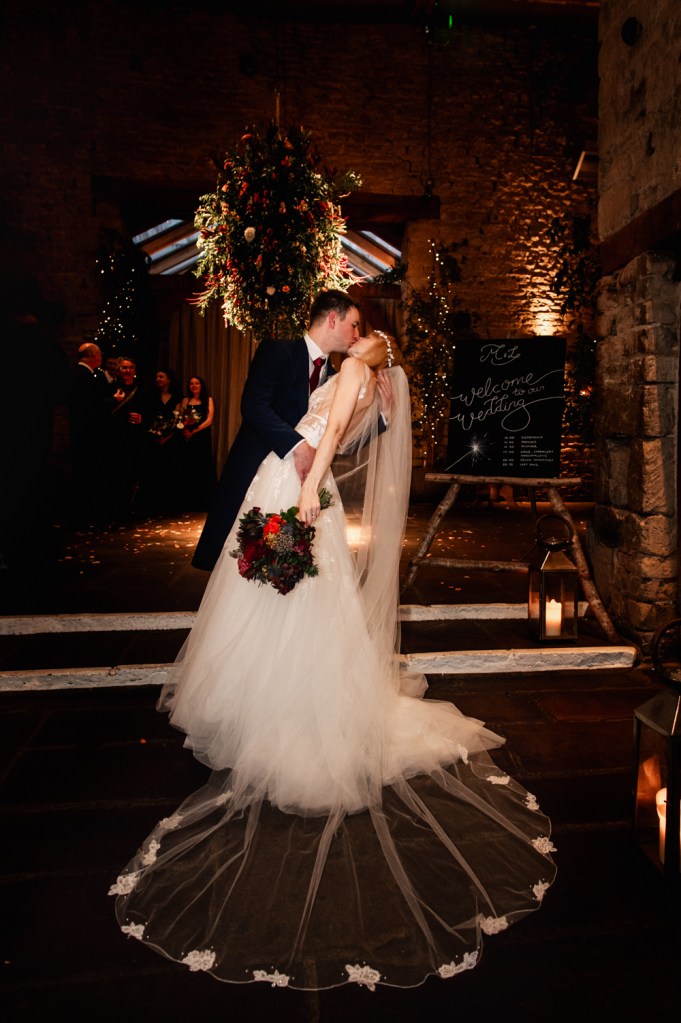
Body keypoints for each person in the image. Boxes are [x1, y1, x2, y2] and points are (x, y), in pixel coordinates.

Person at [111, 329, 556, 990]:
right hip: (311, 492)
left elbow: (320, 450)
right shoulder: (382, 392)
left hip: (302, 490)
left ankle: (280, 708)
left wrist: (301, 500)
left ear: (375, 350)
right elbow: (351, 433)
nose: (360, 333)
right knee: (305, 610)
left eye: (369, 334)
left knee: (284, 605)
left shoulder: (352, 370)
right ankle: (287, 697)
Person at [191, 288, 363, 571]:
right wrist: (299, 446)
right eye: (353, 324)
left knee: (283, 564)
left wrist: (384, 414)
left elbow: (343, 434)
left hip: (293, 487)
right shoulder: (277, 351)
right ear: (333, 318)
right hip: (255, 474)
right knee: (236, 563)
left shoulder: (336, 378)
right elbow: (254, 406)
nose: (356, 332)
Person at [174, 375, 216, 511]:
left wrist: (195, 430)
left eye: (196, 383)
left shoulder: (207, 400)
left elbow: (209, 420)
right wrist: (185, 429)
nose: (194, 386)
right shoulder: (185, 401)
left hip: (201, 437)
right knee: (188, 467)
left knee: (202, 467)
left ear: (201, 385)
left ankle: (204, 502)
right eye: (191, 384)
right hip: (188, 437)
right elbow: (179, 417)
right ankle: (188, 501)